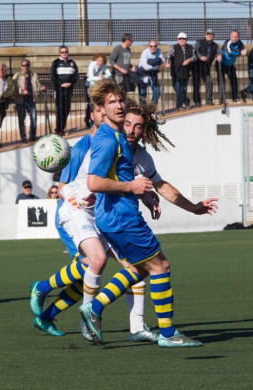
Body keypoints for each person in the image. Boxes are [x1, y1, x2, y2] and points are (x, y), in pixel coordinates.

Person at [79, 79, 217, 347]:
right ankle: (167, 334)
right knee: (161, 266)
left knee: (141, 268)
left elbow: (161, 185)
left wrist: (192, 207)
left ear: (145, 129)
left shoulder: (123, 143)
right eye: (113, 103)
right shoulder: (109, 141)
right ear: (101, 109)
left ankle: (93, 308)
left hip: (114, 217)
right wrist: (132, 186)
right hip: (120, 217)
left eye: (138, 126)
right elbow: (93, 183)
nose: (131, 129)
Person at [30, 101, 158, 342]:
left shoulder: (122, 144)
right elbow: (65, 188)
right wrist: (76, 201)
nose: (110, 113)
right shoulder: (83, 147)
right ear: (95, 115)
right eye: (102, 108)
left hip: (102, 214)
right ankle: (46, 291)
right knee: (92, 264)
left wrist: (147, 195)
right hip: (75, 213)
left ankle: (136, 327)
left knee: (131, 266)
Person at [13, 59, 46, 143]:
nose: (25, 67)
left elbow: (37, 85)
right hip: (21, 100)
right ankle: (23, 137)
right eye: (23, 65)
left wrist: (41, 88)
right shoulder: (17, 75)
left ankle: (32, 135)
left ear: (29, 66)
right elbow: (14, 88)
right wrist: (22, 91)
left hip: (31, 99)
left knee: (34, 118)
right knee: (21, 120)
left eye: (27, 65)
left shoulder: (34, 75)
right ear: (21, 67)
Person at [50, 46, 79, 135]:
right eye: (62, 52)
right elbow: (53, 76)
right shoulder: (56, 62)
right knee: (59, 110)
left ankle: (61, 128)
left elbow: (76, 76)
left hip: (69, 90)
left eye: (66, 52)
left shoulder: (72, 63)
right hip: (59, 90)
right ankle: (59, 130)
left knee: (66, 109)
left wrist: (70, 83)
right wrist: (60, 85)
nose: (64, 53)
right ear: (60, 53)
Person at [165, 32, 195, 111]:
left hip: (185, 72)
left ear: (186, 39)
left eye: (183, 39)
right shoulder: (174, 47)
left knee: (183, 89)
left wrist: (188, 60)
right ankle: (186, 101)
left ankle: (178, 106)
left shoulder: (190, 47)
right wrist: (167, 62)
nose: (182, 40)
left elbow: (194, 57)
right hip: (176, 72)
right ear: (178, 40)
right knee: (177, 89)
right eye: (180, 39)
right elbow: (168, 56)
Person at [194, 29, 222, 106]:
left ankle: (209, 100)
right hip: (197, 66)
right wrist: (200, 57)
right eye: (208, 34)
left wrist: (220, 55)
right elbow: (196, 50)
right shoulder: (200, 42)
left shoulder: (215, 45)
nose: (209, 35)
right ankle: (197, 101)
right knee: (196, 84)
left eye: (211, 34)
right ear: (205, 35)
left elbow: (220, 51)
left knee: (209, 83)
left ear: (213, 36)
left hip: (206, 68)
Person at [219, 30, 247, 104]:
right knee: (222, 82)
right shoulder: (227, 42)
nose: (235, 38)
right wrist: (240, 53)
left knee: (234, 82)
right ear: (230, 37)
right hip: (222, 64)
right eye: (233, 37)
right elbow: (229, 52)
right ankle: (222, 99)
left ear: (239, 37)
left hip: (231, 65)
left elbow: (243, 50)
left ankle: (235, 98)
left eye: (236, 37)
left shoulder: (240, 43)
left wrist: (244, 51)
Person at [85, 53, 111, 128]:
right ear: (96, 60)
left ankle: (96, 121)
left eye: (102, 61)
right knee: (90, 104)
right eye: (99, 60)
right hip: (90, 87)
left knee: (97, 104)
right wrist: (99, 78)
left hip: (97, 87)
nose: (100, 62)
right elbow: (90, 77)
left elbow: (109, 74)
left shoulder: (104, 65)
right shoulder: (92, 65)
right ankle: (89, 120)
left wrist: (104, 77)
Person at [138, 40, 165, 105]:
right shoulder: (145, 53)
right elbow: (145, 66)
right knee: (142, 94)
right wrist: (157, 66)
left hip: (153, 74)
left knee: (157, 91)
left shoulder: (159, 51)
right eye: (151, 46)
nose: (153, 48)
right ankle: (143, 110)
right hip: (143, 74)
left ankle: (151, 108)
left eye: (154, 46)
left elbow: (162, 61)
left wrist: (150, 62)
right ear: (148, 46)